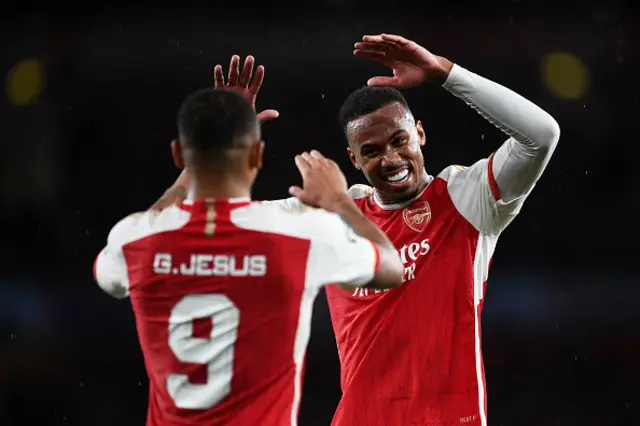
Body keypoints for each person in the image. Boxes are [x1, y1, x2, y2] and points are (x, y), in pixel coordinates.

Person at [158, 35, 560, 425]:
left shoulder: (467, 198)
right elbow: (179, 226)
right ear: (353, 158)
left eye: (399, 140)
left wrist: (443, 72)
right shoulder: (334, 213)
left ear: (419, 133)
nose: (390, 158)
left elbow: (541, 136)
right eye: (371, 151)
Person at [93, 87, 404, 426]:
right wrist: (339, 202)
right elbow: (392, 267)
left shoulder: (136, 238)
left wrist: (199, 154)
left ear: (178, 154)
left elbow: (112, 267)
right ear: (257, 154)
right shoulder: (301, 234)